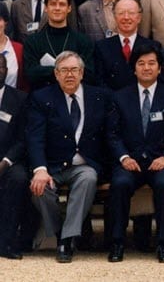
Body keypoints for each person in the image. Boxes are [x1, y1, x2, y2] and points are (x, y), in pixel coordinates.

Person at [27, 51, 114, 263]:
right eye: (64, 70)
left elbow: (110, 135)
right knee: (39, 189)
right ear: (56, 74)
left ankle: (66, 240)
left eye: (74, 70)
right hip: (53, 165)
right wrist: (40, 170)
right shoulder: (42, 98)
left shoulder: (100, 97)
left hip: (85, 165)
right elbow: (35, 137)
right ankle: (60, 233)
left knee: (88, 179)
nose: (69, 75)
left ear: (82, 73)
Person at [105, 45, 164, 263]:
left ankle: (163, 244)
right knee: (120, 184)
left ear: (160, 68)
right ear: (134, 69)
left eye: (152, 63)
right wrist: (124, 157)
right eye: (141, 64)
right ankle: (117, 243)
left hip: (161, 161)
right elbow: (112, 133)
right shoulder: (119, 97)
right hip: (130, 161)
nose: (146, 68)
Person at [21, 0, 93, 90]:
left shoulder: (83, 41)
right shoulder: (32, 41)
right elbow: (31, 74)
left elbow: (89, 74)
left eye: (62, 4)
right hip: (44, 97)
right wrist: (67, 70)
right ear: (46, 8)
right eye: (53, 4)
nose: (57, 8)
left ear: (69, 8)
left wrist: (47, 71)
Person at [0, 53, 27, 260]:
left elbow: (23, 137)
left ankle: (7, 243)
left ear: (7, 71)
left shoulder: (19, 98)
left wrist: (6, 161)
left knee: (19, 179)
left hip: (10, 160)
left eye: (0, 67)